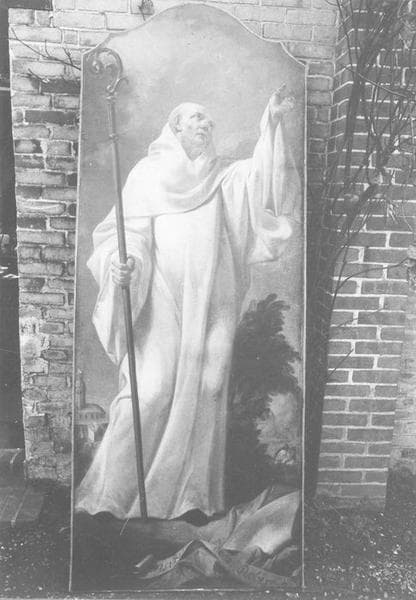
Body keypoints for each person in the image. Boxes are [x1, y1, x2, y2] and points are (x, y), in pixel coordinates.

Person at [75, 90, 301, 520]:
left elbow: (263, 181)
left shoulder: (223, 176)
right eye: (197, 117)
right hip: (162, 297)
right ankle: (111, 496)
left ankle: (191, 499)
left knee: (211, 386)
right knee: (153, 390)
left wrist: (271, 122)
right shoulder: (147, 175)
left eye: (210, 121)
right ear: (176, 126)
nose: (206, 124)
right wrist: (124, 264)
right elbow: (126, 235)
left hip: (214, 299)